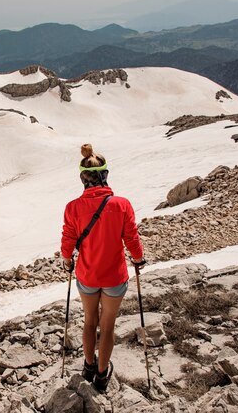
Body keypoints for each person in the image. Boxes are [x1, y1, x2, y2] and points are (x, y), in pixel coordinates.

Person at [61, 143, 145, 392]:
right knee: (107, 326)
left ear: (83, 178)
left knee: (89, 322)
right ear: (105, 176)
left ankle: (88, 365)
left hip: (87, 274)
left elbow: (68, 241)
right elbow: (131, 238)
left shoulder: (73, 208)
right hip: (115, 277)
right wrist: (138, 260)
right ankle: (101, 374)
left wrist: (67, 261)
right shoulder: (121, 205)